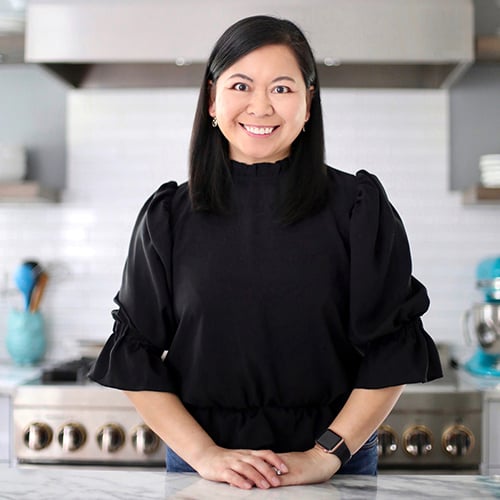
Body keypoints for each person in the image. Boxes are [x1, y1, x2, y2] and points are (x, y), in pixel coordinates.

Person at [89, 15, 442, 489]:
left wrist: (324, 456)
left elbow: (392, 347)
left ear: (308, 103)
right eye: (241, 85)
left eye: (281, 88)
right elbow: (135, 353)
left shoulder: (359, 207)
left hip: (333, 464)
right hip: (206, 468)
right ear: (212, 99)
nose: (261, 106)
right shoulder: (169, 216)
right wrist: (206, 455)